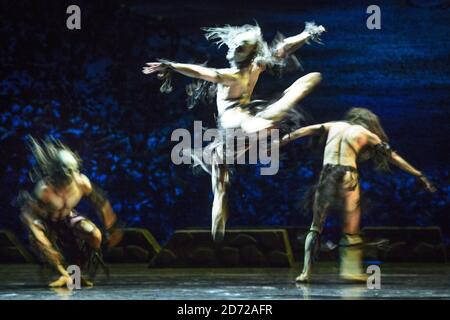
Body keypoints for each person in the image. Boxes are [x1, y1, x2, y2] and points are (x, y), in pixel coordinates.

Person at [142, 22, 325, 240]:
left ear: (249, 53)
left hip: (240, 127)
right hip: (234, 136)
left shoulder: (235, 75)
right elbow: (282, 48)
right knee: (220, 189)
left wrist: (171, 65)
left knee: (304, 83)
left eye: (239, 48)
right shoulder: (256, 66)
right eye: (234, 46)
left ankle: (261, 125)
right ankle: (216, 238)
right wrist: (306, 33)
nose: (232, 50)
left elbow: (203, 72)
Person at [281, 107, 436, 282]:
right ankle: (350, 270)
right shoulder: (366, 134)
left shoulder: (334, 125)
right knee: (350, 229)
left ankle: (305, 272)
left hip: (328, 174)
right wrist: (418, 174)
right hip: (348, 176)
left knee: (316, 227)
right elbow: (393, 157)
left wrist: (283, 140)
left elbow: (303, 131)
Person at [18, 137, 123, 287]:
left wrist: (111, 227)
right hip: (47, 222)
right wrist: (42, 239)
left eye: (70, 174)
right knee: (45, 246)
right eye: (62, 176)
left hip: (68, 218)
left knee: (95, 235)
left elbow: (101, 203)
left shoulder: (81, 183)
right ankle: (63, 274)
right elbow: (29, 216)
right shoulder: (45, 189)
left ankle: (75, 275)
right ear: (55, 174)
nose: (66, 180)